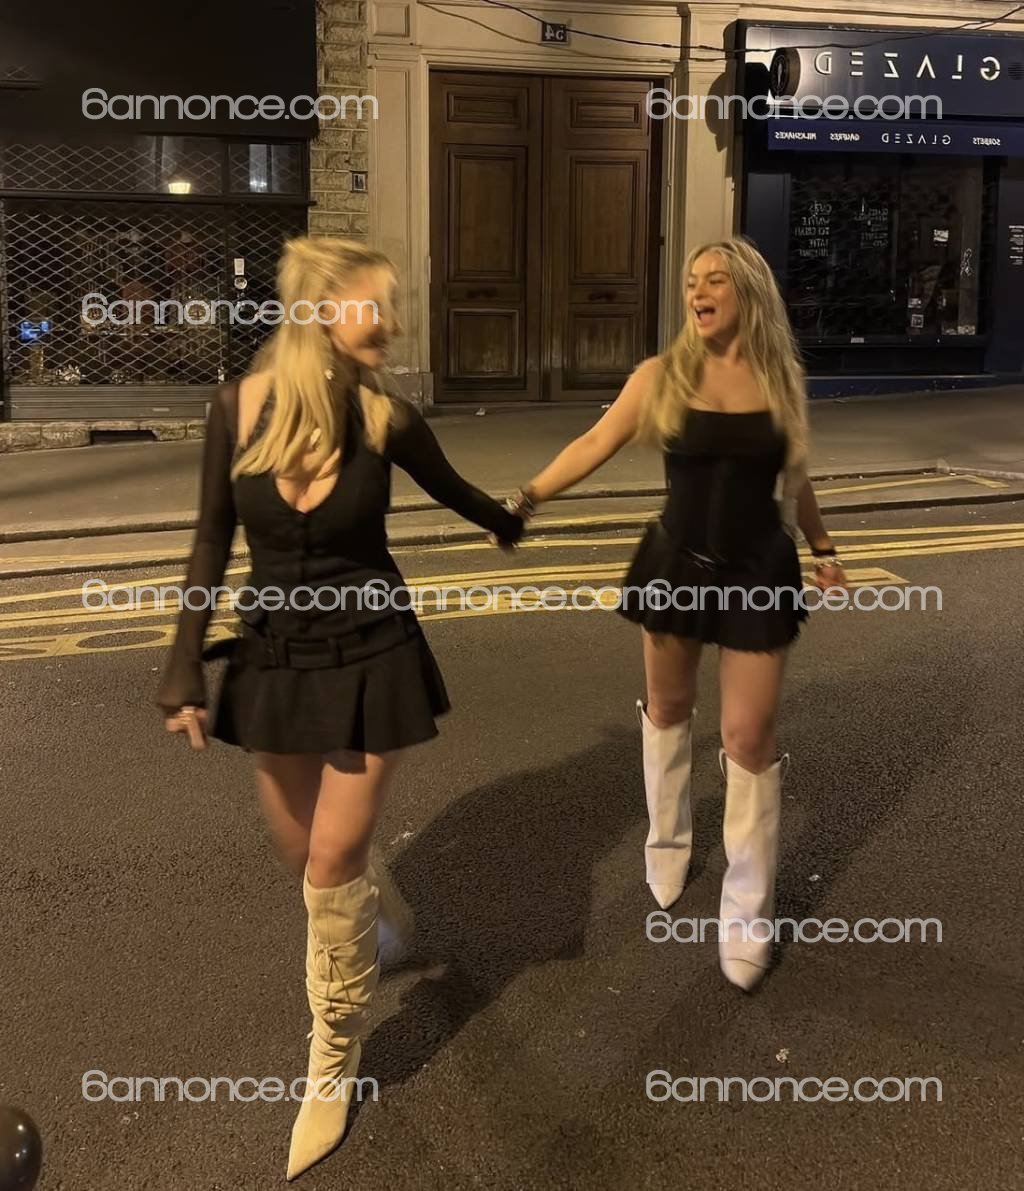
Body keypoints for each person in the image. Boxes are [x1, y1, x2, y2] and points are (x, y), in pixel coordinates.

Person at [156, 236, 523, 1179]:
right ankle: (370, 908)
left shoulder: (386, 417)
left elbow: (457, 490)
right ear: (321, 309)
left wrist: (509, 518)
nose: (392, 322)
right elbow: (210, 537)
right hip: (275, 657)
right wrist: (182, 664)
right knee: (304, 852)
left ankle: (334, 1048)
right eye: (376, 303)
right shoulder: (237, 408)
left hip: (371, 652)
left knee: (327, 864)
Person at [505, 237, 847, 991]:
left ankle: (747, 912)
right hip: (675, 563)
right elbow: (596, 440)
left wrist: (823, 548)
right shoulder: (661, 376)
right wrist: (525, 498)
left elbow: (796, 478)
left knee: (749, 736)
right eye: (693, 281)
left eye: (715, 279)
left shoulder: (780, 379)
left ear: (747, 292)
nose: (699, 291)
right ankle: (668, 840)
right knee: (668, 707)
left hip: (759, 571)